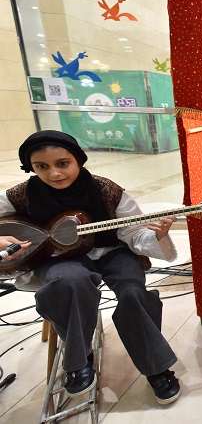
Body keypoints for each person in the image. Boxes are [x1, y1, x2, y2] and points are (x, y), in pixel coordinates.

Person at [0, 131, 181, 404]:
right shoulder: (21, 194)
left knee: (133, 292)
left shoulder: (107, 190)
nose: (54, 173)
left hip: (112, 251)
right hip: (59, 258)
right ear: (30, 167)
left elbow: (133, 233)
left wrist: (156, 235)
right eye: (42, 166)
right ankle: (79, 358)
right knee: (70, 282)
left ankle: (156, 366)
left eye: (63, 163)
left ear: (78, 160)